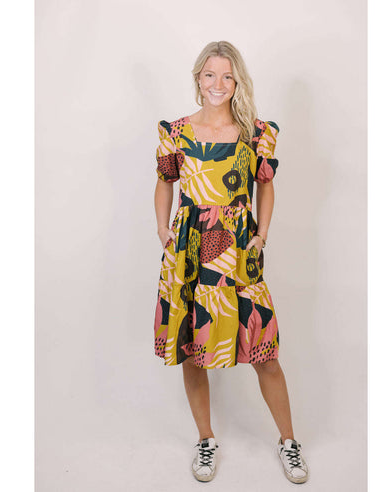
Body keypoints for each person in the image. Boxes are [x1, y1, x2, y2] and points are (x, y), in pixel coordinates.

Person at [153, 40, 309, 485]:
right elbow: (165, 181)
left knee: (265, 352)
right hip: (189, 252)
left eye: (227, 76)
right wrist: (163, 229)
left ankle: (288, 441)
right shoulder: (175, 132)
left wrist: (261, 235)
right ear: (198, 79)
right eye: (210, 75)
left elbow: (265, 184)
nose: (218, 84)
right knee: (193, 352)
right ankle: (205, 439)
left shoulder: (256, 133)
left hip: (239, 252)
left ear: (237, 82)